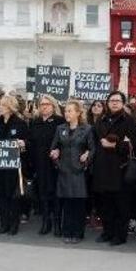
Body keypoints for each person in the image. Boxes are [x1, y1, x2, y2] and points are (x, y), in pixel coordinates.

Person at [90, 91, 136, 246]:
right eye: (112, 100)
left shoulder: (129, 121)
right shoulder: (101, 120)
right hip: (102, 168)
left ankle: (120, 235)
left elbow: (133, 144)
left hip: (120, 169)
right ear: (108, 103)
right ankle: (107, 232)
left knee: (120, 205)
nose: (114, 103)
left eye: (118, 100)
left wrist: (115, 145)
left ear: (123, 103)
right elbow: (95, 142)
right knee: (105, 204)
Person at [0, 95, 29, 235]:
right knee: (0, 196)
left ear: (9, 107)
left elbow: (28, 141)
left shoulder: (20, 123)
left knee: (13, 197)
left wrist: (23, 143)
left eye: (2, 105)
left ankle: (14, 224)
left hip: (13, 168)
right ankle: (4, 224)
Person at [49, 100, 95, 244]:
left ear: (78, 113)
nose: (66, 113)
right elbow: (54, 147)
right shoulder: (60, 128)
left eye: (70, 111)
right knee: (67, 203)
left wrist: (87, 157)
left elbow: (93, 149)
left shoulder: (87, 129)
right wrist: (55, 158)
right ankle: (67, 231)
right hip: (64, 171)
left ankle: (78, 232)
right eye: (66, 111)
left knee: (78, 203)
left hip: (79, 171)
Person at [29, 94, 66, 236]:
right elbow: (31, 142)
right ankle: (46, 222)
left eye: (47, 104)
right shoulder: (35, 122)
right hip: (39, 163)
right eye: (42, 104)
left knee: (56, 194)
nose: (44, 107)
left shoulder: (60, 121)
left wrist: (58, 150)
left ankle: (57, 223)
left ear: (53, 106)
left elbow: (65, 141)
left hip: (55, 163)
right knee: (43, 194)